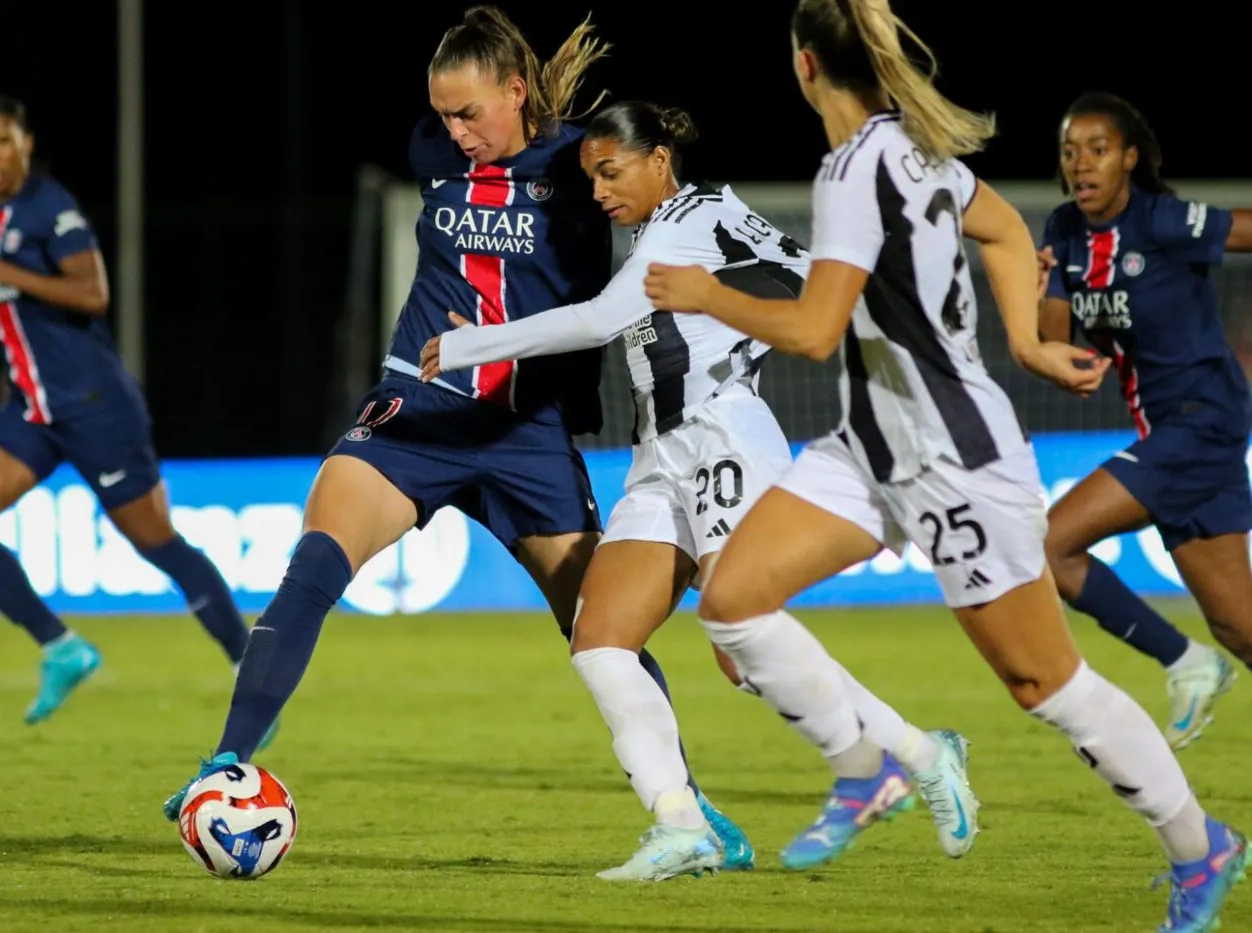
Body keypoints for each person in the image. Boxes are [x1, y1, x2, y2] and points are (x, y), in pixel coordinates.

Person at [642, 1, 1245, 927]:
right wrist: (1029, 341)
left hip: (952, 460)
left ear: (805, 69)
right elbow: (1007, 230)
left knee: (1046, 684)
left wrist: (710, 293)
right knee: (732, 598)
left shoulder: (853, 170)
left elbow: (812, 329)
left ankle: (1203, 847)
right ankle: (869, 767)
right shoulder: (912, 147)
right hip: (870, 446)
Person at [158, 8, 754, 868]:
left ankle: (689, 812)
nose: (455, 132)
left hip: (526, 429)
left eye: (470, 112)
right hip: (418, 412)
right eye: (443, 115)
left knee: (600, 628)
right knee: (314, 563)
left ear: (517, 93)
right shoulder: (433, 153)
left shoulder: (582, 162)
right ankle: (227, 763)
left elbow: (651, 225)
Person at [421, 99, 978, 878]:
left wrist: (477, 342)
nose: (602, 191)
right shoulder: (679, 227)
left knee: (740, 648)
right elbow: (790, 270)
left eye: (611, 172)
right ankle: (682, 825)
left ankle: (921, 751)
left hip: (723, 435)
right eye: (591, 179)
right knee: (600, 638)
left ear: (659, 161)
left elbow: (602, 319)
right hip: (661, 453)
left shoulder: (695, 213)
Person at [0, 92, 269, 737]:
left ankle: (253, 676)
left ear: (26, 143)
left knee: (156, 543)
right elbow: (17, 293)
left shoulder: (50, 206)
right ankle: (62, 648)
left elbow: (91, 294)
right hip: (33, 410)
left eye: (1, 140)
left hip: (95, 407)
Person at [1039, 91, 1252, 751]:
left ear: (1130, 157)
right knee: (1240, 626)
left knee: (1048, 546)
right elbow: (1056, 341)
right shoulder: (1065, 231)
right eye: (1071, 151)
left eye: (1098, 149)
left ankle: (1183, 661)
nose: (1082, 164)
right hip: (1175, 436)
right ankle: (1201, 657)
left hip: (1203, 420)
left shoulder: (1162, 221)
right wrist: (1040, 292)